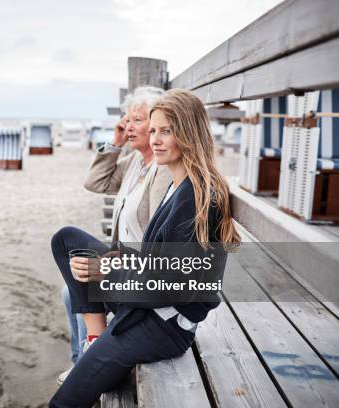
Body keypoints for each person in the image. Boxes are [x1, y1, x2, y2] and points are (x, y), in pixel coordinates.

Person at [50, 89, 240, 407]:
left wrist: (106, 270)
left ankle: (98, 345)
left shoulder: (194, 197)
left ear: (189, 132)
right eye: (153, 130)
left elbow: (172, 286)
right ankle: (95, 337)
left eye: (167, 131)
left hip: (161, 325)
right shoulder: (180, 185)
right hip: (144, 304)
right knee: (67, 240)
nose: (155, 139)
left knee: (64, 402)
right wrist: (118, 259)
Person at [57, 86, 171, 384]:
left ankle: (86, 364)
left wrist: (115, 267)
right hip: (121, 261)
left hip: (140, 273)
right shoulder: (136, 162)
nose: (127, 126)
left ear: (160, 124)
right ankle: (83, 360)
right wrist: (115, 142)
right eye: (125, 121)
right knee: (70, 291)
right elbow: (95, 182)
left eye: (136, 120)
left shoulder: (164, 172)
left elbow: (159, 243)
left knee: (71, 256)